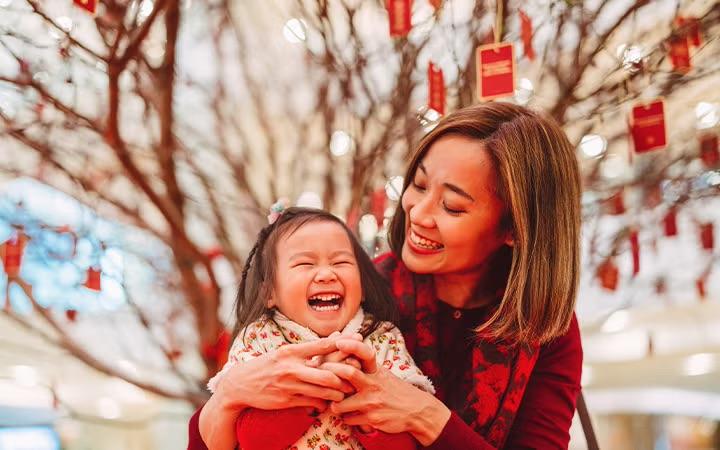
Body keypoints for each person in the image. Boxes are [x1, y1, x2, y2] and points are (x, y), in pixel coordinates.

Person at [189, 102, 583, 450]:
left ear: (515, 229)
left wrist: (426, 417)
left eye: (452, 206)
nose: (418, 212)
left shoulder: (545, 327)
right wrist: (229, 396)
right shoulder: (361, 293)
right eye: (419, 184)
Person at [207, 205, 433, 450]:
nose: (326, 274)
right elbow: (252, 440)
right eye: (305, 264)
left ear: (363, 285)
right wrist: (318, 389)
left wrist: (362, 400)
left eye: (341, 262)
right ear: (269, 292)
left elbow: (407, 443)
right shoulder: (259, 339)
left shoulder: (383, 338)